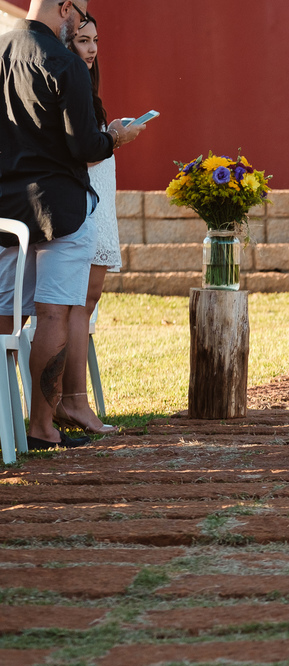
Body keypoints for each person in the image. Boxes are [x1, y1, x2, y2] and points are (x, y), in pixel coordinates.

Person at [0, 0, 142, 450]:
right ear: (65, 9)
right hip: (60, 209)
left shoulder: (1, 50)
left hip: (5, 210)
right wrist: (117, 137)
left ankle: (6, 424)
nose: (82, 22)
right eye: (81, 14)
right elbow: (85, 146)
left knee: (5, 318)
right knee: (53, 312)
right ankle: (41, 427)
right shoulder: (65, 63)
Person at [59, 13, 126, 434]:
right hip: (85, 204)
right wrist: (116, 138)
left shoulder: (86, 87)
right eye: (83, 41)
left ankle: (71, 401)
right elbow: (79, 151)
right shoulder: (68, 81)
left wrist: (113, 131)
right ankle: (73, 402)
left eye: (95, 40)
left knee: (88, 301)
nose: (92, 48)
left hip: (100, 202)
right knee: (80, 303)